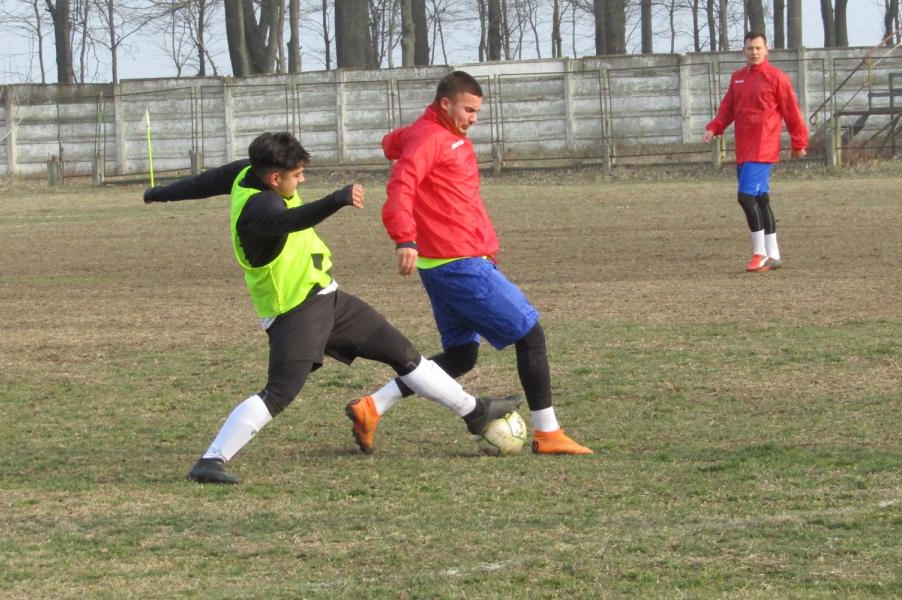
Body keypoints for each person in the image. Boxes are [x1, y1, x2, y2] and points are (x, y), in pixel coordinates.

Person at [143, 132, 520, 484]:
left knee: (404, 354)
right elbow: (291, 219)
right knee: (279, 392)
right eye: (297, 175)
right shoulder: (260, 209)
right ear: (274, 178)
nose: (302, 180)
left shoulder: (246, 172)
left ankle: (475, 413)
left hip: (327, 296)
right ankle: (210, 461)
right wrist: (335, 200)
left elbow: (205, 182)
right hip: (295, 312)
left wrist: (159, 194)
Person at [341, 71, 592, 457]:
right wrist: (404, 238)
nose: (474, 118)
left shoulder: (428, 132)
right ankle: (548, 433)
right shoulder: (432, 137)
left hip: (443, 265)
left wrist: (405, 139)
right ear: (445, 104)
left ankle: (372, 406)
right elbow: (401, 186)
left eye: (477, 111)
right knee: (530, 335)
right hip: (460, 265)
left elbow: (391, 143)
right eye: (468, 110)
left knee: (461, 356)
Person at [703, 31, 809, 273]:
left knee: (745, 197)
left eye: (758, 48)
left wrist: (799, 142)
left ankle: (759, 253)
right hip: (744, 148)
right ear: (744, 51)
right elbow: (728, 108)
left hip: (763, 147)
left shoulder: (776, 78)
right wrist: (714, 127)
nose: (754, 52)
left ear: (766, 50)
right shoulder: (738, 78)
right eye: (750, 48)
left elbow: (792, 111)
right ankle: (774, 254)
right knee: (760, 200)